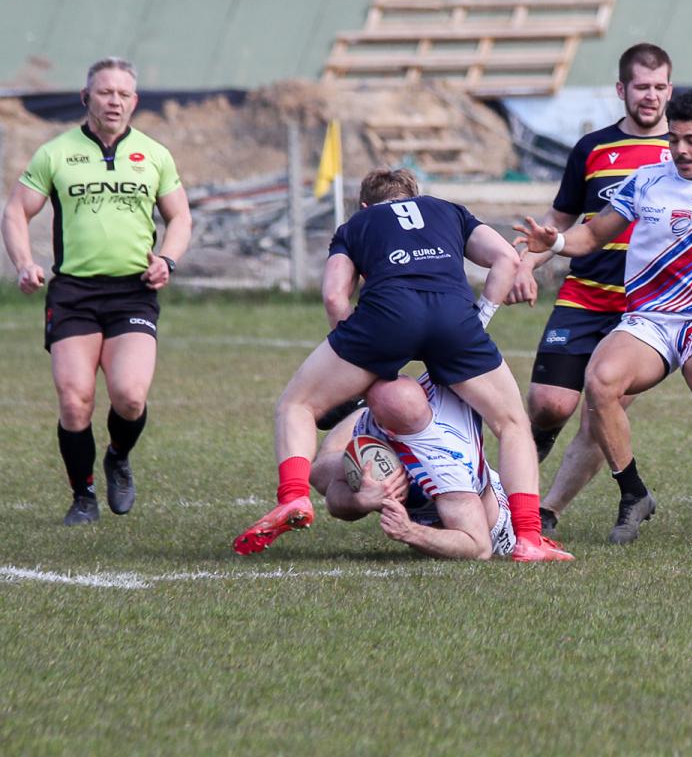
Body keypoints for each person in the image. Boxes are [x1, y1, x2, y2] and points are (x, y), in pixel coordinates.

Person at [233, 168, 572, 561]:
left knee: (298, 405)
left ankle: (293, 497)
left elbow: (334, 296)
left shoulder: (356, 224)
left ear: (365, 205)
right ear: (416, 195)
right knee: (512, 424)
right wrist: (481, 317)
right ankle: (528, 537)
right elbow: (507, 258)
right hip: (453, 317)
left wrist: (353, 348)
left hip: (386, 316)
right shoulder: (447, 210)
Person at [517, 90, 692, 547]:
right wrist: (556, 243)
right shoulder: (645, 181)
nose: (680, 150)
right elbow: (591, 236)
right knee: (600, 382)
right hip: (649, 320)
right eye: (674, 139)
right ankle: (633, 494)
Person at [1, 57, 192, 526]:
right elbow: (16, 211)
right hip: (73, 294)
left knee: (129, 397)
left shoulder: (154, 154)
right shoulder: (56, 153)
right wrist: (24, 263)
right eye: (105, 92)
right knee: (75, 401)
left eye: (123, 94)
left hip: (133, 292)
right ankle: (83, 496)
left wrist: (167, 260)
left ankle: (118, 456)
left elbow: (180, 217)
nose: (114, 101)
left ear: (135, 101)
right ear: (86, 97)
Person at [506, 43, 673, 537]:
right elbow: (559, 221)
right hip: (584, 294)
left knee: (602, 409)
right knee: (548, 404)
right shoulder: (593, 148)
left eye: (660, 86)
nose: (650, 96)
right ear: (621, 90)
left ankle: (546, 511)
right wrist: (525, 264)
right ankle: (509, 481)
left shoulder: (685, 150)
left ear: (671, 90)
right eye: (641, 87)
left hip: (644, 310)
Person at [311, 373, 516, 560]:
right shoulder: (431, 384)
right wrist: (359, 501)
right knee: (319, 473)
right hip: (399, 427)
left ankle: (359, 411)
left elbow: (479, 547)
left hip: (492, 527)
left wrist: (409, 531)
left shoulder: (446, 470)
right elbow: (333, 492)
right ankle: (360, 409)